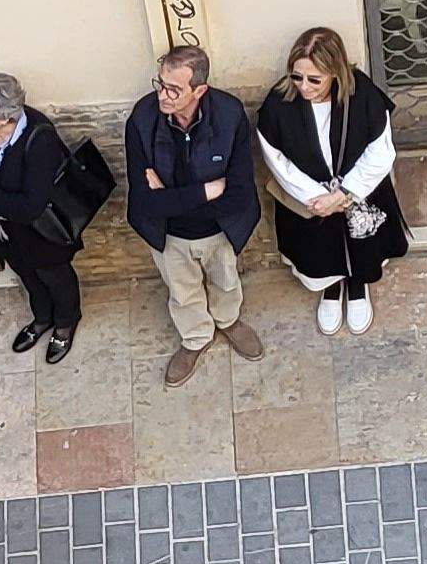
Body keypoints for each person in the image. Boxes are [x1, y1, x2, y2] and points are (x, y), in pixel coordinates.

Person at [123, 44, 265, 388]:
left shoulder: (230, 115)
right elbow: (145, 202)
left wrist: (169, 197)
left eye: (174, 89)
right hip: (168, 232)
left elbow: (239, 194)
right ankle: (195, 338)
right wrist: (204, 191)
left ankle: (228, 320)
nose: (163, 95)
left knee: (226, 281)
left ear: (199, 90)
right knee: (182, 291)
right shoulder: (142, 120)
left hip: (220, 227)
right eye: (160, 84)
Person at [254, 27, 409, 336]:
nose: (304, 87)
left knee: (360, 246)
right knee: (320, 248)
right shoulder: (278, 103)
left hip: (357, 192)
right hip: (312, 199)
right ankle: (330, 287)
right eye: (297, 77)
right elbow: (277, 159)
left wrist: (345, 194)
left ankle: (357, 285)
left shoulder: (362, 94)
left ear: (335, 73)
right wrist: (317, 197)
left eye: (315, 79)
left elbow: (380, 150)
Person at [0, 74, 97, 364]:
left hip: (42, 235)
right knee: (26, 275)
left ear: (4, 119)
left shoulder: (40, 139)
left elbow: (30, 207)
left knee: (56, 277)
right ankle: (42, 318)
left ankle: (65, 322)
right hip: (0, 231)